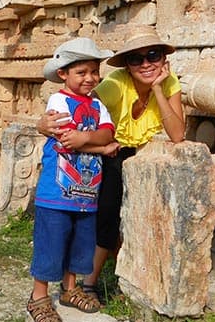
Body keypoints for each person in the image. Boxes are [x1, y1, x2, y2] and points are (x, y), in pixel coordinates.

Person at [39, 28, 185, 303]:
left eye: (153, 55)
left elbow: (177, 134)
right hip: (104, 155)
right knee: (106, 213)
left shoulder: (169, 82)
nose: (145, 64)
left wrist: (157, 88)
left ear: (163, 58)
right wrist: (43, 125)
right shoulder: (116, 84)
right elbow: (79, 113)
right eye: (136, 59)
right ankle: (88, 283)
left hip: (138, 153)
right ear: (127, 65)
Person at [28, 38, 119, 322]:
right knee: (50, 243)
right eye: (81, 72)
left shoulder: (97, 104)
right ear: (64, 74)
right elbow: (67, 139)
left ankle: (70, 289)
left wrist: (92, 141)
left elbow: (107, 133)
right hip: (57, 191)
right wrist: (100, 148)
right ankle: (39, 296)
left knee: (80, 244)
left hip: (86, 192)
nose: (90, 78)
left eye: (94, 71)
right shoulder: (58, 101)